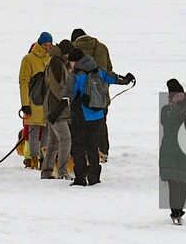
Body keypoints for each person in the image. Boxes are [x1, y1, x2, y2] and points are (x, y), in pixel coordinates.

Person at [69, 48, 133, 185]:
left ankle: (80, 178)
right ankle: (94, 178)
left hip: (81, 117)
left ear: (75, 61)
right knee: (92, 147)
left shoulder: (76, 75)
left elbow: (69, 94)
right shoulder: (99, 71)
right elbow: (114, 78)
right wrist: (127, 79)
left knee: (79, 147)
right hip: (98, 115)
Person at [160, 79, 186, 225]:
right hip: (170, 152)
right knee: (173, 185)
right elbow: (166, 122)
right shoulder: (166, 110)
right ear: (171, 99)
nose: (180, 99)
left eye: (181, 96)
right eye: (176, 97)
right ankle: (175, 212)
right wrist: (178, 109)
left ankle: (179, 210)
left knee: (183, 184)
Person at [71, 29, 114, 160]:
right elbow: (109, 69)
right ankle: (103, 152)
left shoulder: (75, 48)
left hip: (82, 98)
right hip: (101, 96)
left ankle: (84, 155)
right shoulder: (102, 47)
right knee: (101, 123)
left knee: (81, 127)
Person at [18, 33, 53, 169]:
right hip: (34, 100)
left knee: (47, 130)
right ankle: (32, 160)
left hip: (48, 101)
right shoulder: (28, 59)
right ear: (40, 44)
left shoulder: (50, 59)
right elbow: (23, 81)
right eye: (45, 45)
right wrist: (25, 104)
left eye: (50, 45)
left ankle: (43, 159)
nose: (47, 48)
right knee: (33, 130)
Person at [41, 39, 74, 180]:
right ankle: (62, 172)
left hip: (54, 108)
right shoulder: (56, 64)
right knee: (65, 139)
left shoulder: (59, 63)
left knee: (53, 141)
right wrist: (67, 98)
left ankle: (47, 172)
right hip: (56, 110)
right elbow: (58, 88)